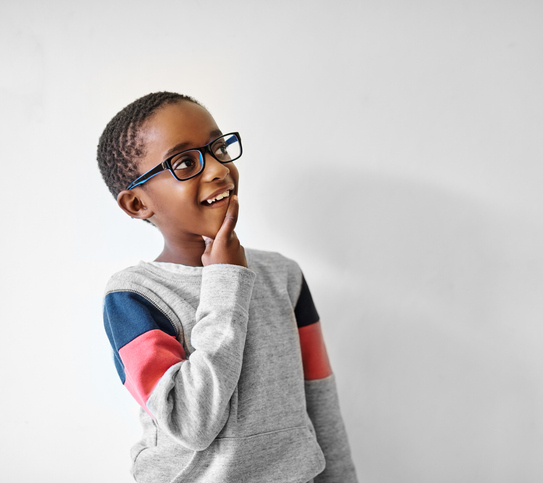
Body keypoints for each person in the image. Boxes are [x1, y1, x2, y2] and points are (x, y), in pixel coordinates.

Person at [97, 91, 357, 482]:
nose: (218, 168)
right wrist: (226, 282)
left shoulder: (284, 275)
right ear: (137, 203)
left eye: (219, 148)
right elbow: (190, 423)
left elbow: (319, 398)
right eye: (185, 161)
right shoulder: (133, 296)